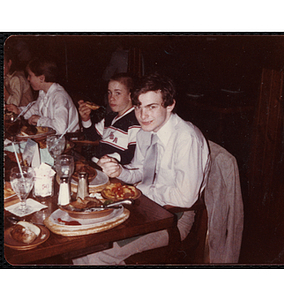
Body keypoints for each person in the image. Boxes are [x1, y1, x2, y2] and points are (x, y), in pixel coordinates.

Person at [73, 73, 211, 265]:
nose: (143, 115)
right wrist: (120, 171)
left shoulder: (186, 138)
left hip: (174, 218)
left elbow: (185, 198)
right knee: (82, 244)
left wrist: (140, 192)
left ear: (170, 105)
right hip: (143, 207)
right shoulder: (146, 131)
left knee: (97, 253)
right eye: (139, 106)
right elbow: (139, 170)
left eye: (152, 107)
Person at [5, 57, 80, 134]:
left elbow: (60, 128)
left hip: (69, 139)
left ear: (41, 78)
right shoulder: (43, 92)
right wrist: (19, 110)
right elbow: (35, 109)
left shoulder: (59, 96)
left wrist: (39, 120)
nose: (28, 79)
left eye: (30, 76)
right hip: (53, 139)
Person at [78, 73, 141, 165]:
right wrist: (86, 119)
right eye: (109, 92)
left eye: (117, 93)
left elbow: (133, 154)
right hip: (98, 163)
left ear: (130, 96)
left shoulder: (135, 120)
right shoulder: (110, 117)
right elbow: (92, 136)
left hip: (116, 170)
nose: (111, 98)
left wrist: (108, 160)